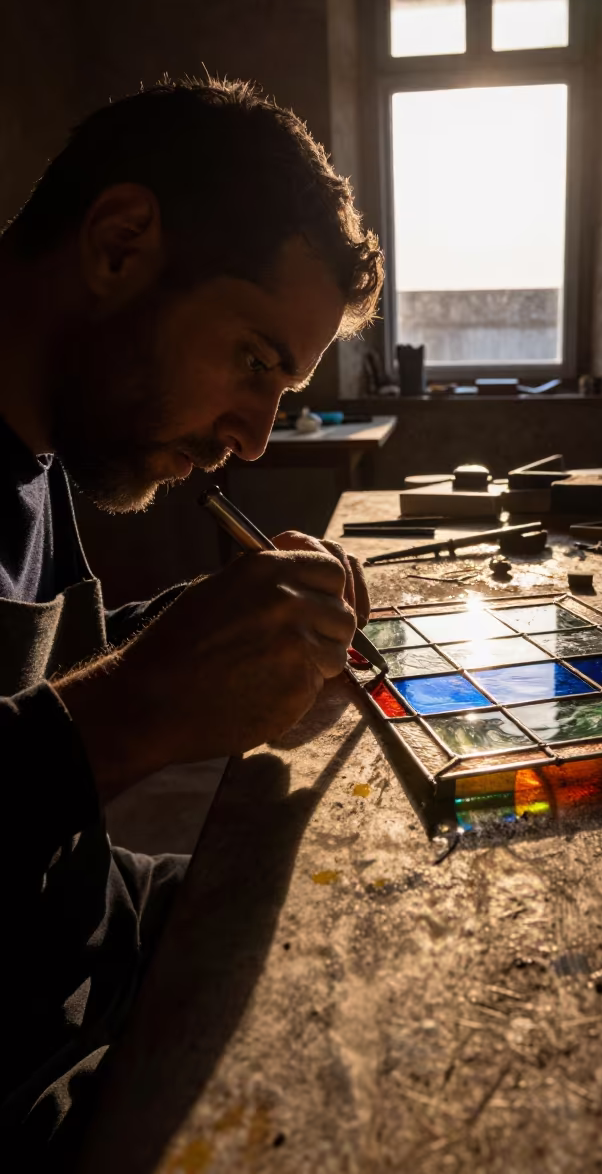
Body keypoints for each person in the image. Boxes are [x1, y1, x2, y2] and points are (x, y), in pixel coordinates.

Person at [0, 75, 383, 1165]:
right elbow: (76, 723)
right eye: (255, 361)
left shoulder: (34, 461)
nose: (254, 438)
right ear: (120, 245)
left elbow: (32, 705)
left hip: (83, 967)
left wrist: (215, 631)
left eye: (285, 390)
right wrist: (140, 707)